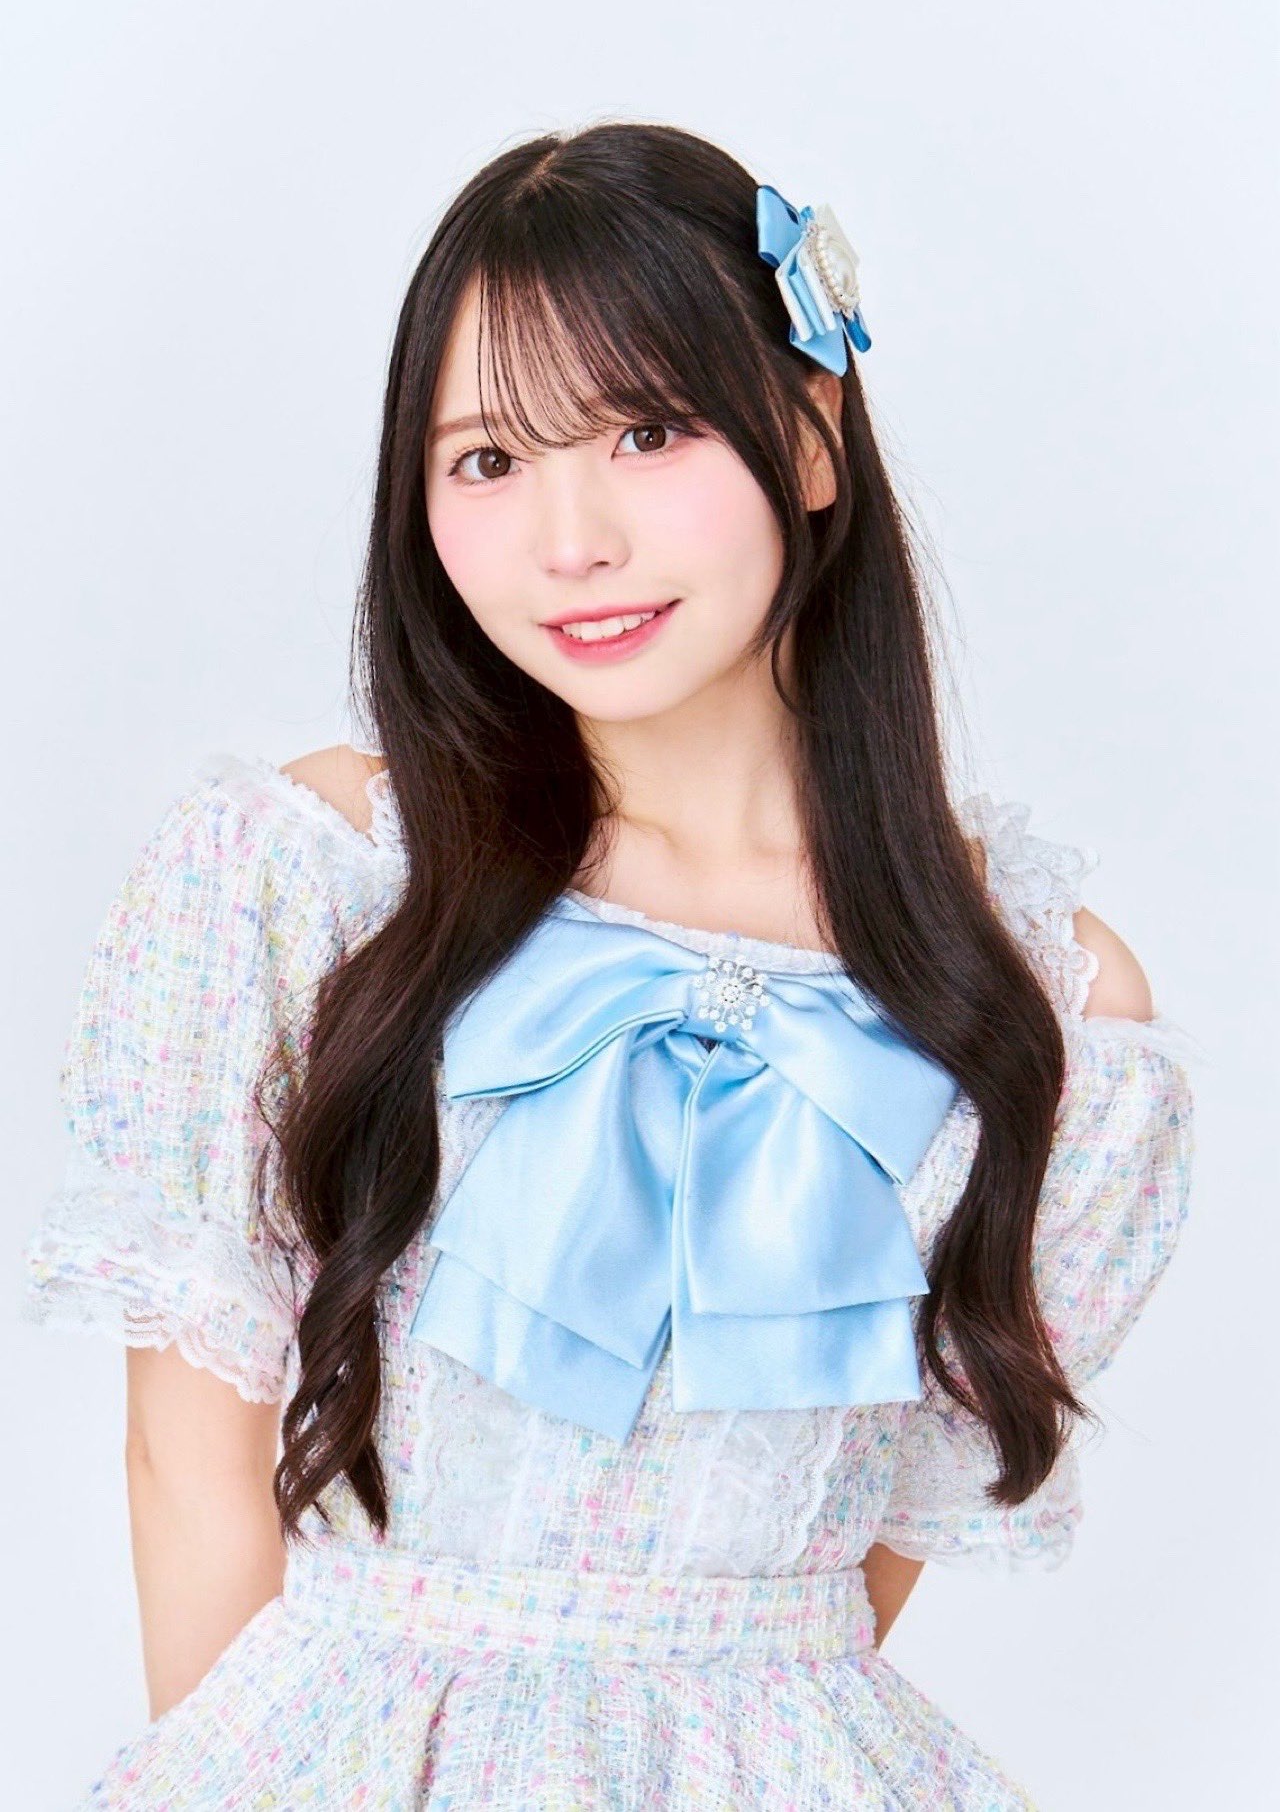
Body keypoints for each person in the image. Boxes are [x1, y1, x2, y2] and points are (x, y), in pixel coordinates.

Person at [22, 119, 1197, 1808]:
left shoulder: (1047, 1013)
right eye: (489, 457)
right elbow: (185, 1464)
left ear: (812, 434)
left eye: (646, 430)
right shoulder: (313, 878)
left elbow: (857, 1572)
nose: (568, 540)